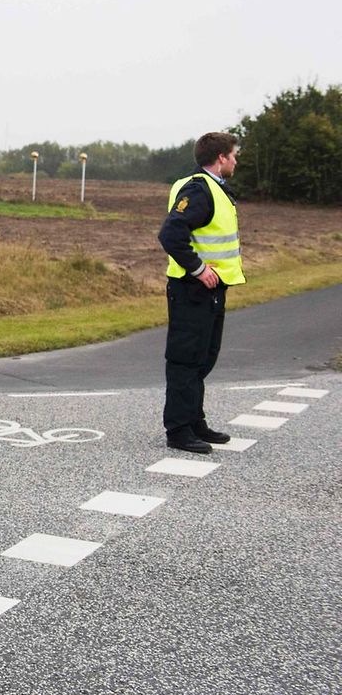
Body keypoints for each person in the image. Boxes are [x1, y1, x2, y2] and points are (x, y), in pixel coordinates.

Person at [158, 132, 244, 454]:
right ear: (221, 157)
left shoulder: (214, 189)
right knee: (185, 359)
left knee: (203, 357)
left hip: (210, 290)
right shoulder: (200, 190)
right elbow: (171, 233)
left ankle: (194, 421)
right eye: (233, 155)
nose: (236, 160)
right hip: (192, 288)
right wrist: (198, 268)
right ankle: (178, 430)